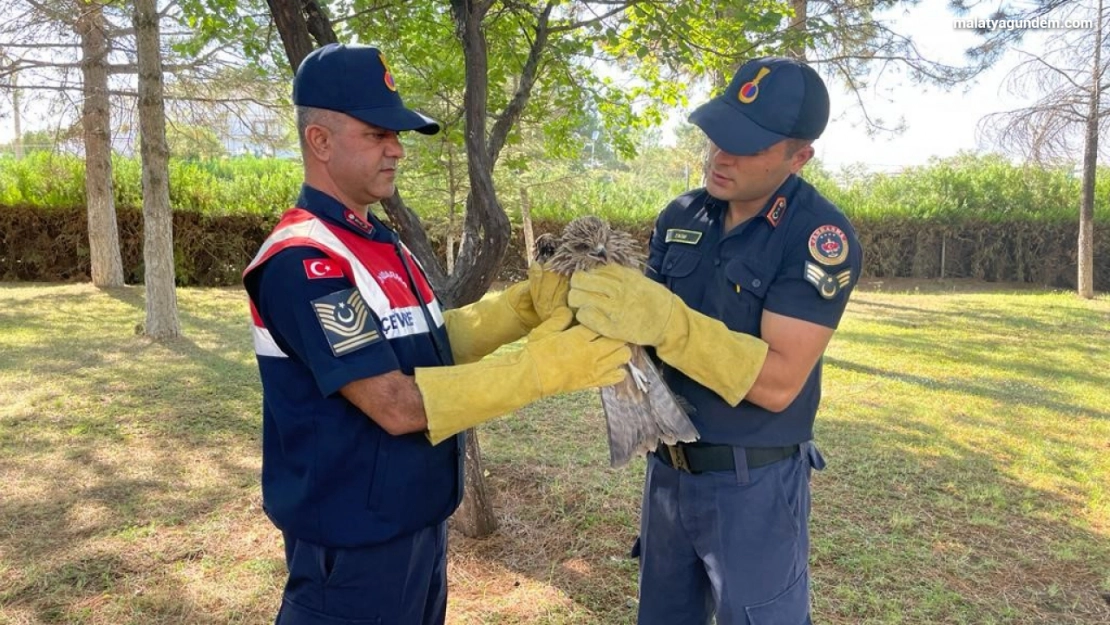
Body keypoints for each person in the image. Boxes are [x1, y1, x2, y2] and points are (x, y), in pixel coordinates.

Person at [242, 43, 630, 625]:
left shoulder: (377, 241)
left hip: (415, 525)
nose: (397, 149)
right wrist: (543, 366)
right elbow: (395, 404)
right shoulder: (306, 261)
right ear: (319, 141)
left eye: (396, 135)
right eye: (377, 134)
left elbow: (427, 343)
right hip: (352, 551)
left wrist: (519, 309)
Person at [568, 57, 863, 624]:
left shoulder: (817, 237)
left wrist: (668, 323)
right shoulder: (682, 213)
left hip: (751, 483)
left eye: (747, 146)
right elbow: (642, 335)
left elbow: (779, 383)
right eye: (718, 136)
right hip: (667, 472)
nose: (721, 155)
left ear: (798, 156)